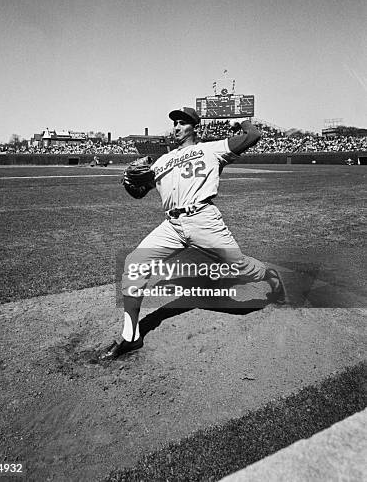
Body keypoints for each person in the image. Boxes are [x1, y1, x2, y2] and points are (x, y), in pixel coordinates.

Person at [99, 107, 284, 361]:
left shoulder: (212, 148)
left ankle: (269, 275)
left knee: (240, 267)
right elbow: (140, 193)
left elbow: (253, 136)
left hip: (204, 220)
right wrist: (129, 183)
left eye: (182, 123)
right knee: (134, 264)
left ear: (193, 127)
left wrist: (241, 121)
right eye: (174, 123)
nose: (176, 127)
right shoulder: (161, 161)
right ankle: (131, 337)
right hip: (172, 225)